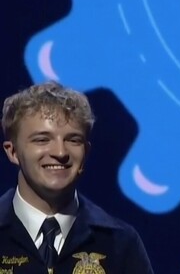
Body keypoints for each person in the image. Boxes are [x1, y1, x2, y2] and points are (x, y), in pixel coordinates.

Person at [0, 81, 154, 274]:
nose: (60, 152)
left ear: (86, 151)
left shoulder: (119, 242)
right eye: (42, 139)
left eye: (73, 140)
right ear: (13, 152)